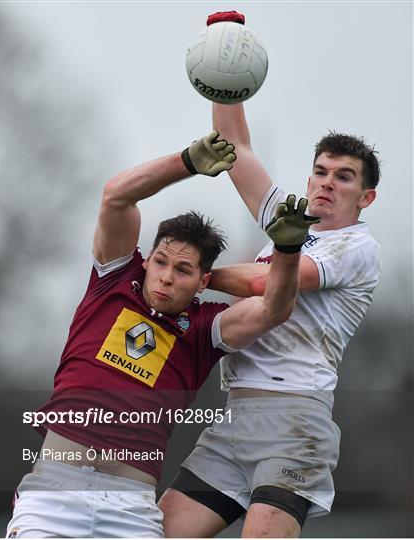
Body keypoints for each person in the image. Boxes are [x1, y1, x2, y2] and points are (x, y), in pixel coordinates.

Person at [6, 131, 317, 538]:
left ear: (204, 280)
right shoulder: (113, 279)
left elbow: (275, 308)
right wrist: (186, 162)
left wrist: (288, 251)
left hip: (131, 511)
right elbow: (116, 196)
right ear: (148, 260)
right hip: (52, 497)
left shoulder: (205, 328)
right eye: (162, 263)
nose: (167, 277)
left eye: (183, 270)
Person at [159, 14, 381, 538]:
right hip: (236, 420)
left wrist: (198, 275)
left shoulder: (357, 247)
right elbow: (234, 146)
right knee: (158, 532)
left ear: (365, 197)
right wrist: (224, 53)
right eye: (321, 171)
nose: (328, 183)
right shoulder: (292, 217)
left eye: (344, 177)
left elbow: (269, 285)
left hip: (295, 420)